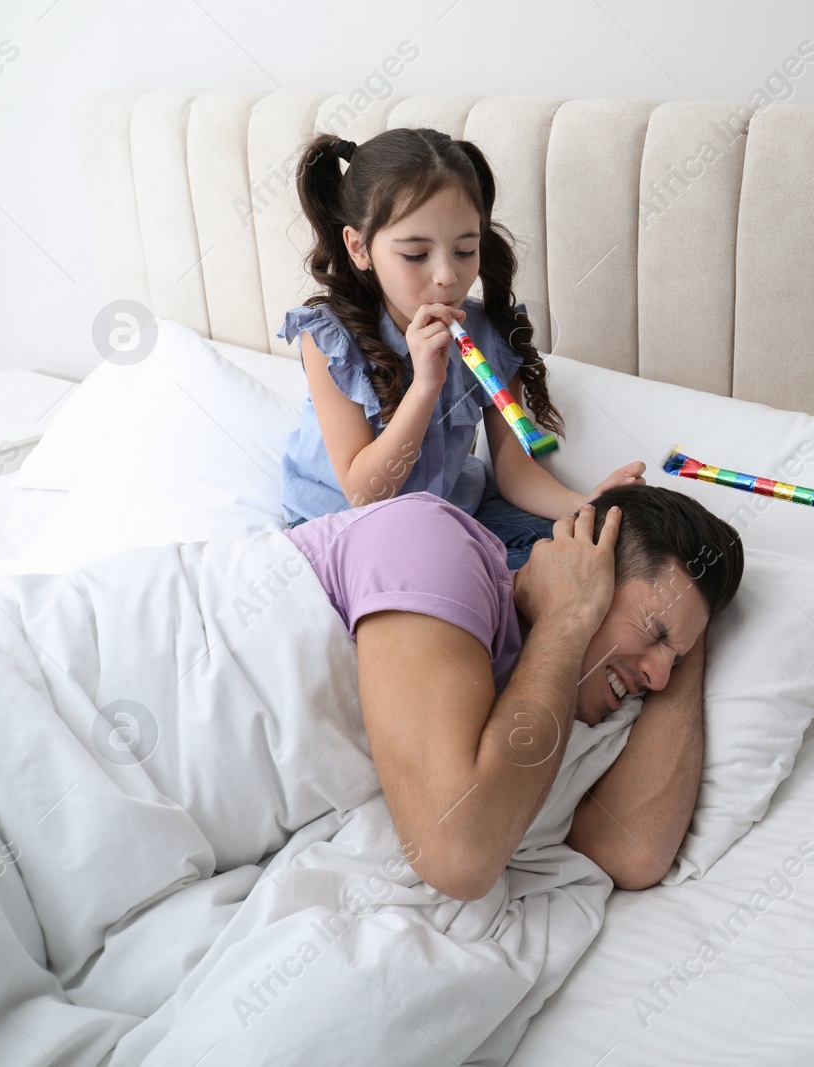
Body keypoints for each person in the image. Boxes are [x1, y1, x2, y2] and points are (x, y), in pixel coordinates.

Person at [286, 481, 743, 896]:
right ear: (588, 565)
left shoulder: (564, 694)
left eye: (675, 661)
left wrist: (686, 637)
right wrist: (568, 616)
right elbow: (457, 856)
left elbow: (631, 853)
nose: (659, 680)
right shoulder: (433, 544)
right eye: (653, 630)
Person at [278, 126, 645, 569]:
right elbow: (365, 493)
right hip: (348, 525)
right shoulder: (331, 341)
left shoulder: (488, 335)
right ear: (359, 248)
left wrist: (585, 503)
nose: (447, 277)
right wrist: (426, 385)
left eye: (465, 250)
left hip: (450, 510)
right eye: (415, 255)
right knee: (453, 581)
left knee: (582, 559)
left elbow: (514, 471)